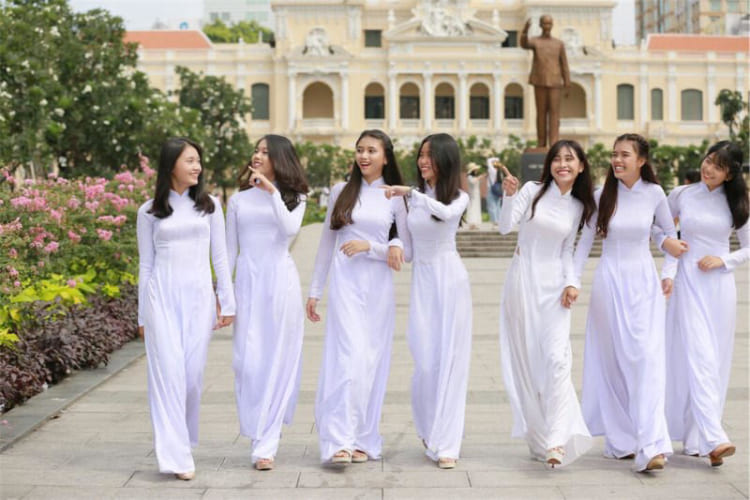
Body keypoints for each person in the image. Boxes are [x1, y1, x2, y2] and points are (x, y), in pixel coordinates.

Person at [572, 133, 679, 473]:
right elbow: (583, 243)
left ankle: (651, 444)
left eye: (625, 155)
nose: (617, 160)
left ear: (642, 160)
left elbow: (668, 236)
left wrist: (670, 271)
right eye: (614, 155)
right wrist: (572, 281)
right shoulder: (603, 195)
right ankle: (621, 441)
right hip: (609, 282)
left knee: (646, 359)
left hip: (644, 282)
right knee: (613, 361)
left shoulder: (654, 194)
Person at [306, 129, 408, 465]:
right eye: (360, 150)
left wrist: (377, 246)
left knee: (371, 362)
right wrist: (315, 291)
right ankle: (339, 440)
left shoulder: (395, 196)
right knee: (346, 358)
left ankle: (365, 438)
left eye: (371, 150)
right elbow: (325, 244)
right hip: (346, 283)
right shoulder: (340, 191)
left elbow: (407, 251)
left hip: (377, 286)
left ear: (386, 157)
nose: (364, 156)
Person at [137, 137, 235, 481]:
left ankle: (183, 440)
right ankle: (176, 456)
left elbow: (220, 257)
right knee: (168, 378)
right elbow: (145, 266)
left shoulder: (209, 207)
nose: (197, 166)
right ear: (171, 166)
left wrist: (228, 300)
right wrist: (141, 315)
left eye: (198, 160)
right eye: (190, 160)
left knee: (191, 378)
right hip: (160, 298)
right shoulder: (149, 211)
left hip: (198, 300)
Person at [497, 140, 595, 468]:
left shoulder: (580, 206)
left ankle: (557, 438)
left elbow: (568, 249)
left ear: (581, 166)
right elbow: (504, 227)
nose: (562, 164)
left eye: (570, 159)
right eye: (557, 159)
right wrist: (509, 196)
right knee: (527, 360)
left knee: (556, 358)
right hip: (523, 280)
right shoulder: (532, 190)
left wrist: (572, 282)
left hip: (554, 287)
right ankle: (540, 438)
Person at [654, 141, 749, 467]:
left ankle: (698, 439)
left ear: (730, 174)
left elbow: (748, 247)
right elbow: (660, 229)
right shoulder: (682, 195)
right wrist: (668, 265)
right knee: (699, 355)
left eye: (718, 166)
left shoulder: (737, 202)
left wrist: (724, 260)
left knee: (716, 359)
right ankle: (715, 437)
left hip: (719, 287)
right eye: (709, 160)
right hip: (688, 284)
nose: (709, 168)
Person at [382, 133, 472, 469]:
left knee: (450, 361)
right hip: (422, 281)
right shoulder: (408, 202)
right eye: (421, 155)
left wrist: (412, 194)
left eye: (430, 155)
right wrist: (388, 244)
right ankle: (429, 428)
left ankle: (448, 442)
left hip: (451, 280)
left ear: (446, 160)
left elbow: (448, 215)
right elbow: (408, 250)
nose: (422, 161)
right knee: (425, 361)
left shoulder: (459, 196)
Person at [226, 135, 309, 471]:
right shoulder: (238, 200)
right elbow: (230, 251)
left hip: (280, 282)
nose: (257, 156)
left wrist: (272, 192)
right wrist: (223, 297)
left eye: (264, 152)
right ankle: (257, 430)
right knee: (247, 362)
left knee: (278, 360)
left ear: (278, 159)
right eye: (255, 151)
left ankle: (266, 443)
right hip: (248, 282)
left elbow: (289, 228)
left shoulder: (296, 197)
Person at [520, 15, 570, 148]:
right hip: (540, 80)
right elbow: (524, 44)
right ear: (541, 25)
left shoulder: (558, 44)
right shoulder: (535, 41)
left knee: (554, 114)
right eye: (545, 24)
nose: (547, 27)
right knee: (541, 113)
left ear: (552, 25)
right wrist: (525, 30)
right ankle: (541, 143)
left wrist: (567, 83)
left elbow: (564, 64)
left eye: (549, 24)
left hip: (555, 82)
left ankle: (554, 142)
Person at [465, 162, 483, 229]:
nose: (477, 171)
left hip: (476, 194)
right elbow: (472, 182)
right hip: (472, 194)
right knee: (472, 208)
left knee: (476, 208)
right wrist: (479, 178)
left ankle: (474, 223)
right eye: (475, 170)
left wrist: (479, 178)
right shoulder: (469, 176)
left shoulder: (474, 177)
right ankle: (471, 223)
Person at [486, 157, 502, 224]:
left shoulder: (492, 170)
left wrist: (493, 160)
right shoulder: (499, 172)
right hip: (498, 190)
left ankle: (494, 221)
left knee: (492, 206)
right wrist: (497, 160)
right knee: (498, 205)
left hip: (491, 189)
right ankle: (499, 219)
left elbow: (488, 160)